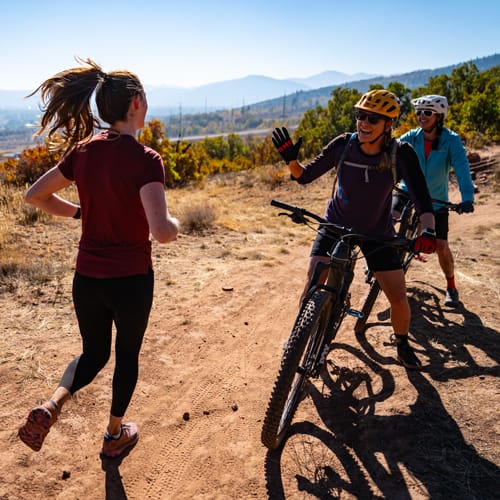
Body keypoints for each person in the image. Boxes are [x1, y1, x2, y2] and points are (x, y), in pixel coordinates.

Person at [18, 58, 180, 458]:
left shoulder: (83, 152)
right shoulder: (146, 159)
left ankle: (52, 404)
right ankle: (113, 436)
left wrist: (80, 212)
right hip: (131, 280)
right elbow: (161, 232)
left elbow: (34, 195)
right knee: (126, 354)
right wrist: (175, 224)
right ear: (137, 103)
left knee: (93, 353)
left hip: (87, 278)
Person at [272, 89, 436, 370]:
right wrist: (290, 160)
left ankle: (402, 344)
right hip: (334, 224)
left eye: (373, 119)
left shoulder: (401, 154)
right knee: (313, 282)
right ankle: (298, 338)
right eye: (360, 115)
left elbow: (422, 199)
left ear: (388, 125)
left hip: (378, 233)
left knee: (397, 297)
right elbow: (304, 176)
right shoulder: (343, 146)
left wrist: (429, 231)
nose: (363, 123)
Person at [396, 95, 475, 308]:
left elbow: (461, 169)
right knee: (388, 217)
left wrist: (467, 198)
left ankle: (451, 286)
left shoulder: (451, 140)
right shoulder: (412, 136)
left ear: (439, 116)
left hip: (436, 199)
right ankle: (380, 261)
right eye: (419, 112)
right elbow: (390, 150)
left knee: (441, 245)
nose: (421, 116)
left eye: (427, 112)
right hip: (408, 191)